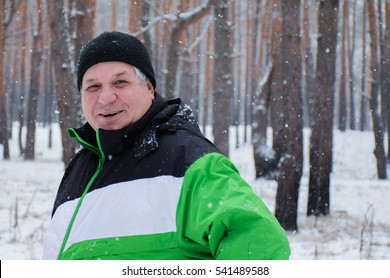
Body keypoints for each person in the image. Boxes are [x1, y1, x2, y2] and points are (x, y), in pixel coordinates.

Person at [43, 31, 290, 260]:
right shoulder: (79, 169)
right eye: (93, 86)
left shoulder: (189, 160)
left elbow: (262, 243)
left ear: (149, 88)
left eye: (120, 83)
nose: (106, 97)